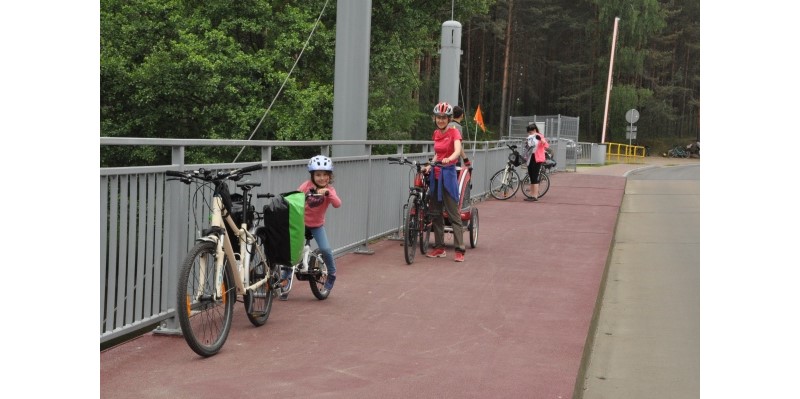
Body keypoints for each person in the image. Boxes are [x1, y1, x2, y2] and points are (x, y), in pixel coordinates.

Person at [281, 155, 342, 300]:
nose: (321, 178)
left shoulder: (330, 190)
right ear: (312, 176)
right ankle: (285, 280)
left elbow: (338, 204)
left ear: (329, 176)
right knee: (292, 252)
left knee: (326, 249)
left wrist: (327, 194)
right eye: (318, 175)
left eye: (325, 175)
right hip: (301, 225)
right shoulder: (306, 186)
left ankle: (332, 274)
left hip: (317, 226)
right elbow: (295, 199)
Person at [424, 102, 466, 262]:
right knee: (435, 213)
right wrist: (429, 164)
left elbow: (457, 150)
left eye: (444, 118)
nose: (441, 120)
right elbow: (437, 154)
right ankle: (439, 248)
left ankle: (459, 250)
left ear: (449, 119)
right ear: (435, 118)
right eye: (438, 117)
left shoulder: (454, 132)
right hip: (435, 175)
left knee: (453, 213)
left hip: (448, 174)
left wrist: (451, 158)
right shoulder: (436, 133)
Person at [523, 123, 549, 202]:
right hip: (530, 157)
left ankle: (535, 196)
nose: (529, 134)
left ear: (534, 130)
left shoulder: (539, 136)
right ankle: (531, 195)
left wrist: (542, 140)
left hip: (537, 158)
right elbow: (528, 146)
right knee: (531, 176)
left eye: (530, 132)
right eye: (528, 133)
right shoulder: (530, 137)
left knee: (534, 176)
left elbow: (546, 145)